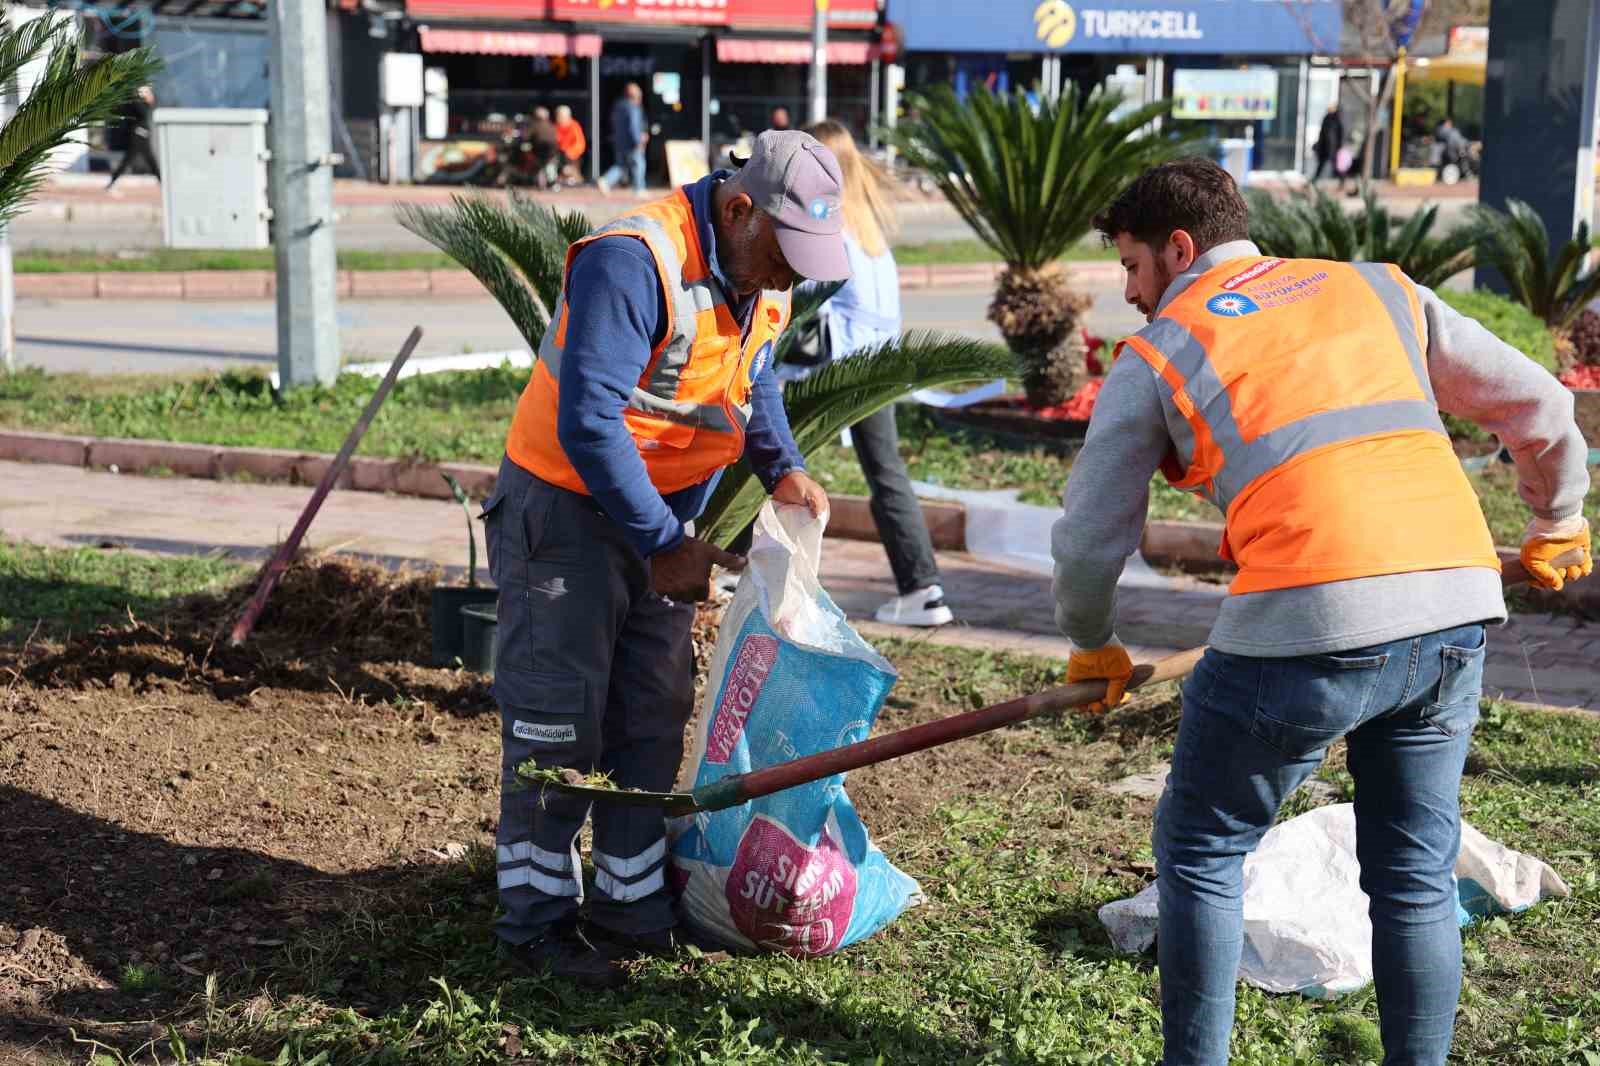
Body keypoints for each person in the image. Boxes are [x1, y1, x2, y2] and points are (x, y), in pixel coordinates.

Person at [1054, 158, 1591, 1065]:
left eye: (1135, 267)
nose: (1132, 292)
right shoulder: (1379, 291)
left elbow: (1088, 539)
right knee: (1415, 874)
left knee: (1202, 852)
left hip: (1305, 620)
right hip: (1454, 610)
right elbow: (1538, 401)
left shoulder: (1165, 347)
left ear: (1181, 249)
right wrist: (1559, 517)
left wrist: (1091, 642)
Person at [484, 130, 847, 987]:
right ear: (736, 209)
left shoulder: (764, 277)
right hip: (564, 516)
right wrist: (664, 545)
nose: (794, 274)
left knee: (651, 710)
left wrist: (783, 466)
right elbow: (589, 422)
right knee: (557, 718)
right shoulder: (632, 260)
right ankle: (533, 928)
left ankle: (628, 903)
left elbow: (752, 382)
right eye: (787, 252)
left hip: (662, 517)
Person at [799, 119, 953, 627]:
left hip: (839, 366)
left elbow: (804, 287)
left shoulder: (823, 212)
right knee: (887, 475)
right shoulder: (865, 219)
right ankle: (922, 587)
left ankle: (732, 563)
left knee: (773, 455)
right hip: (877, 363)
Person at [106, 85, 159, 191]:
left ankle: (112, 183)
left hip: (142, 134)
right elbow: (143, 114)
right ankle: (112, 183)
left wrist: (150, 101)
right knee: (131, 160)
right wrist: (147, 102)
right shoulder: (136, 103)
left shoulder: (139, 102)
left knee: (149, 161)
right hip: (138, 135)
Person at [598, 82, 647, 195]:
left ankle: (606, 180)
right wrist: (638, 141)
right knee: (639, 164)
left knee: (621, 165)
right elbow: (633, 126)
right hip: (631, 142)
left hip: (619, 141)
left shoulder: (618, 105)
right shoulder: (633, 107)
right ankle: (639, 188)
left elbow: (613, 123)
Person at [524, 106, 561, 189]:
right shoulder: (552, 125)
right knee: (549, 167)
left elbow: (525, 137)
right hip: (552, 152)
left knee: (539, 166)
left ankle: (541, 183)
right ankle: (552, 183)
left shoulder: (535, 125)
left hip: (540, 152)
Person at [554, 104, 587, 185]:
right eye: (558, 115)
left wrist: (570, 153)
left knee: (568, 168)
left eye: (561, 116)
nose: (559, 118)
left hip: (571, 155)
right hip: (559, 154)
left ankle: (580, 182)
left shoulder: (574, 126)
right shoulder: (556, 126)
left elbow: (580, 143)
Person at [1312, 103, 1343, 183]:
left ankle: (1342, 180)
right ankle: (1315, 179)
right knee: (1322, 163)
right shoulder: (1326, 119)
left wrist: (1339, 147)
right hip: (1325, 146)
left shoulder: (1337, 119)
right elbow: (1322, 133)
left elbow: (1340, 134)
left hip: (1333, 147)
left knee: (1335, 164)